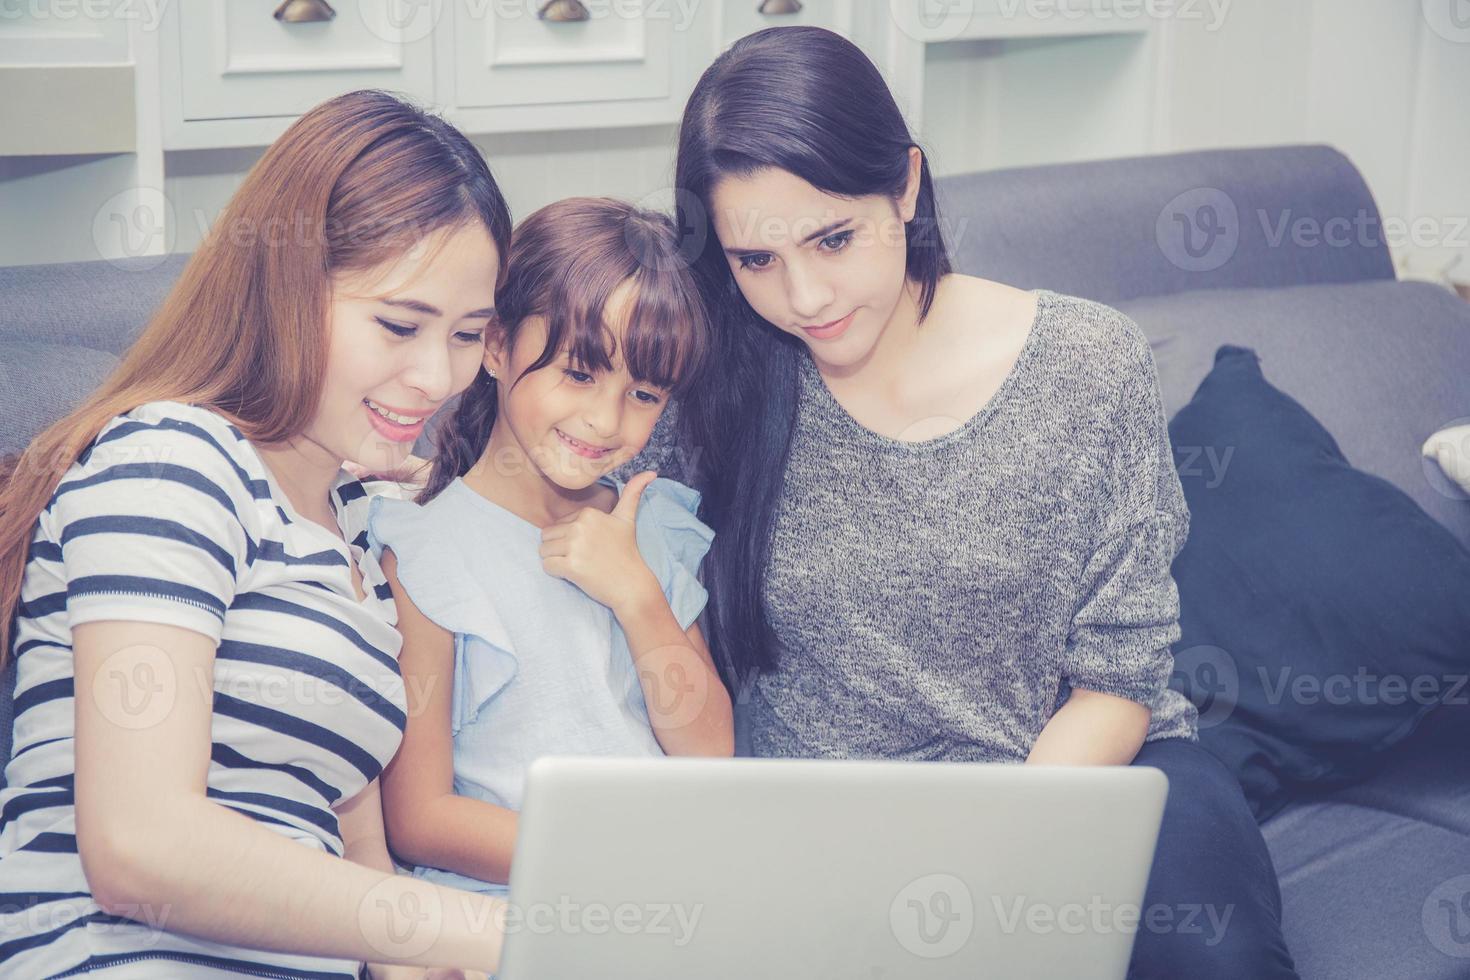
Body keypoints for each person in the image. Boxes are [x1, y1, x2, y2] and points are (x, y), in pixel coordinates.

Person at [616, 26, 1301, 979]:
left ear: (905, 184)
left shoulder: (1087, 366)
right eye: (755, 260)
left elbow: (1119, 682)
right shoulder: (711, 381)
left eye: (832, 238)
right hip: (834, 827)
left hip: (1091, 776)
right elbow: (542, 449)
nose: (805, 295)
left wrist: (983, 870)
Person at [0, 90, 511, 978]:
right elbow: (138, 846)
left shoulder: (350, 530)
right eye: (398, 324)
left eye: (468, 335)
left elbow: (363, 868)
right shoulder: (172, 458)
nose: (436, 376)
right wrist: (483, 931)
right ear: (285, 285)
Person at [369, 197, 732, 902]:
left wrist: (636, 595)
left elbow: (710, 748)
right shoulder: (424, 550)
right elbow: (419, 817)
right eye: (579, 373)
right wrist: (607, 862)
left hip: (669, 904)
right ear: (497, 347)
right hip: (519, 909)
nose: (606, 419)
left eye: (645, 393)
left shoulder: (647, 526)